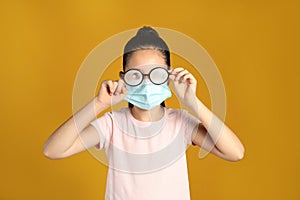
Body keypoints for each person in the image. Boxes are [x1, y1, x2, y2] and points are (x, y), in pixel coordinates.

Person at [43, 26, 245, 200]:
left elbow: (235, 152)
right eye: (136, 75)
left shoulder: (181, 123)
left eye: (156, 73)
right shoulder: (112, 124)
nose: (146, 82)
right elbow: (53, 150)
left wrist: (194, 104)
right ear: (124, 78)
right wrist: (98, 104)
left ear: (168, 77)